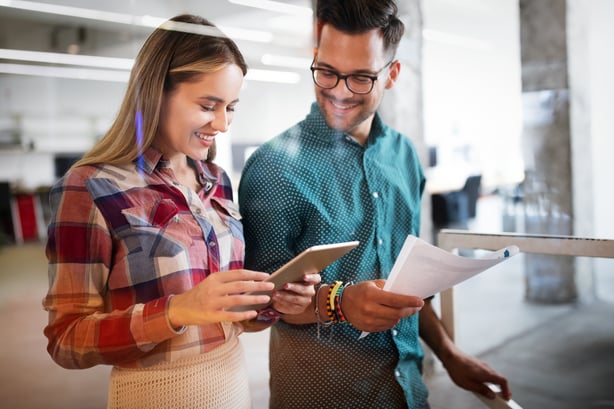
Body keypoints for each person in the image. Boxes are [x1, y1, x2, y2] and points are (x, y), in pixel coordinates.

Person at [238, 1, 512, 408]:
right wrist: (340, 303)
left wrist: (450, 356)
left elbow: (409, 283)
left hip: (408, 393)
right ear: (315, 58)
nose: (340, 92)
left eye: (362, 78)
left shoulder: (403, 155)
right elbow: (260, 307)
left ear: (393, 74)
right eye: (327, 71)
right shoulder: (273, 168)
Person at [42, 14, 319, 409]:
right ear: (157, 93)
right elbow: (66, 340)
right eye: (209, 105)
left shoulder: (216, 179)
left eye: (232, 107)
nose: (222, 124)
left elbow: (231, 318)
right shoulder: (90, 187)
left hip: (234, 390)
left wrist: (273, 304)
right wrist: (177, 310)